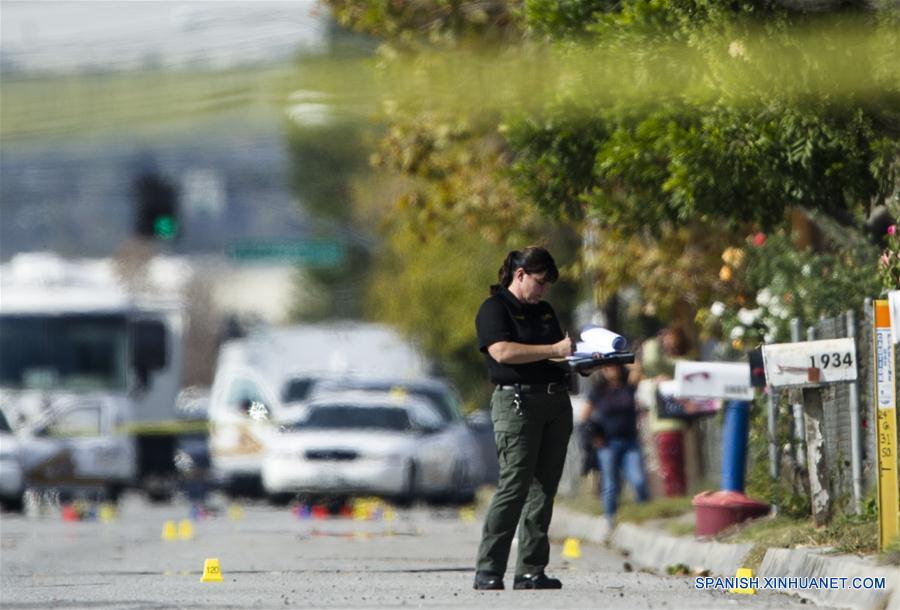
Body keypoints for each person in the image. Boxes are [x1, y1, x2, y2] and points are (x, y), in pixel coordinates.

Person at [472, 246, 575, 591]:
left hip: (554, 403)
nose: (544, 291)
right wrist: (553, 350)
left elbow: (558, 355)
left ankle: (531, 569)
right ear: (520, 275)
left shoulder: (544, 311)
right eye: (541, 282)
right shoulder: (494, 309)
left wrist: (585, 358)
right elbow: (502, 351)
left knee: (544, 490)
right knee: (514, 486)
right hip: (517, 405)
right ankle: (489, 568)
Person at [581, 364, 649, 527]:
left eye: (614, 367)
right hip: (607, 444)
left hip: (630, 442)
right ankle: (610, 521)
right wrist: (594, 436)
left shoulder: (628, 387)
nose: (611, 370)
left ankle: (646, 516)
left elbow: (637, 369)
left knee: (638, 480)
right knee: (610, 485)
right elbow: (584, 417)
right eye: (607, 368)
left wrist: (617, 357)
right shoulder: (598, 391)